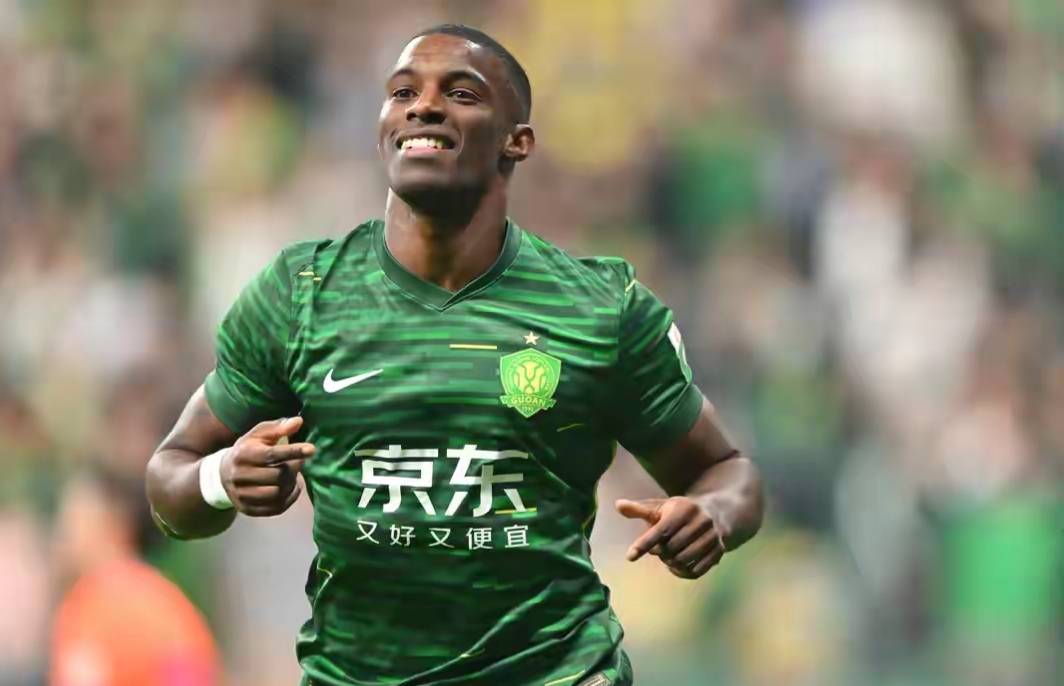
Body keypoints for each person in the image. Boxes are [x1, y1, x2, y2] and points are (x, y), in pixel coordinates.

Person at [146, 24, 763, 686]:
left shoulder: (600, 310)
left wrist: (711, 517)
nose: (424, 107)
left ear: (516, 141)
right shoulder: (300, 295)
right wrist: (221, 478)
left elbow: (726, 472)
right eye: (402, 92)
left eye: (460, 93)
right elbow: (167, 479)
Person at [52, 466, 220, 686]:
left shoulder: (92, 603)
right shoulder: (166, 601)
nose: (63, 532)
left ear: (112, 521)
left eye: (74, 518)